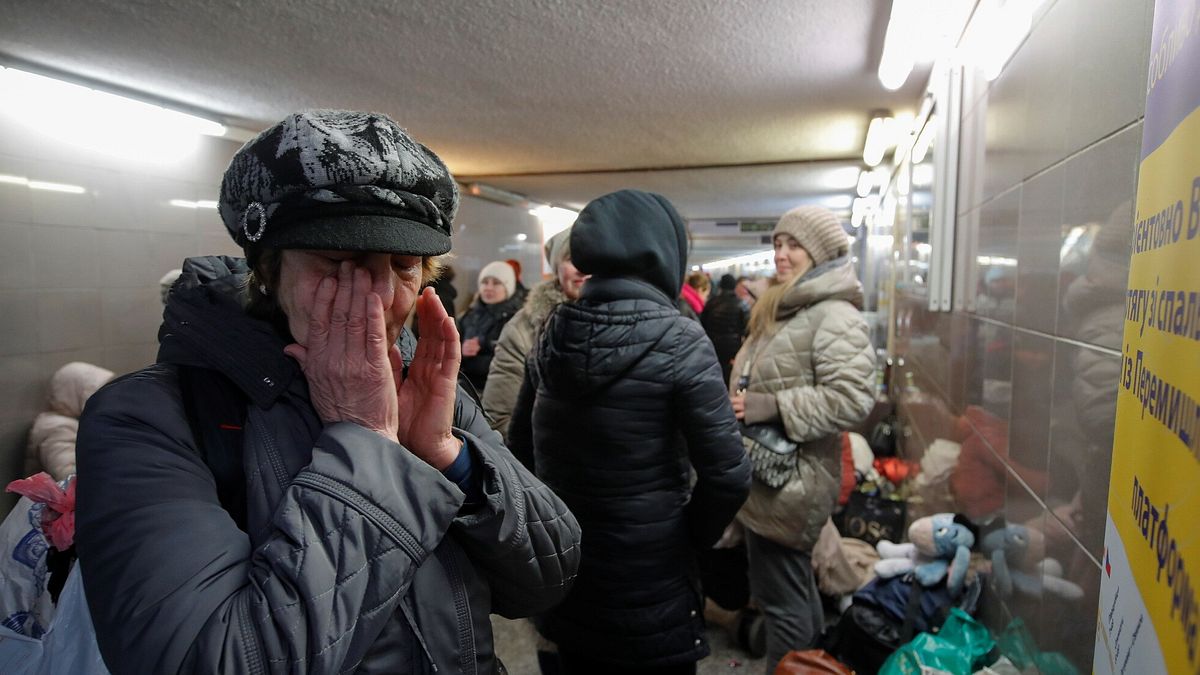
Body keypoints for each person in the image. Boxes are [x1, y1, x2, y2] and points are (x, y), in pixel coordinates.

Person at [75, 110, 581, 674]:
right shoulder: (147, 418)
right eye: (341, 262)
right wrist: (363, 440)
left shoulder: (422, 388)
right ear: (267, 270)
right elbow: (211, 660)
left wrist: (449, 455)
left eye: (405, 265)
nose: (381, 298)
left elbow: (549, 576)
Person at [509, 189, 752, 674]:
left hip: (569, 568)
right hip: (651, 578)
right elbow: (728, 475)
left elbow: (520, 451)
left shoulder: (553, 331)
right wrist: (687, 537)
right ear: (667, 254)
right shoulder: (681, 339)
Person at [728, 205, 874, 672]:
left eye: (794, 245)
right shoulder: (788, 307)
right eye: (777, 243)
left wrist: (769, 406)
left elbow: (852, 398)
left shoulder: (831, 314)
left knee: (782, 603)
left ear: (820, 252)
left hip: (790, 484)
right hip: (774, 478)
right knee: (794, 593)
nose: (781, 254)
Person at [483, 228, 587, 445]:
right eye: (570, 259)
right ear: (557, 268)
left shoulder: (630, 320)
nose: (582, 268)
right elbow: (499, 418)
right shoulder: (524, 328)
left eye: (589, 258)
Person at [24, 362, 113, 481]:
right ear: (76, 393)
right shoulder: (57, 428)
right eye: (97, 395)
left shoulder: (71, 422)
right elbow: (69, 476)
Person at [459, 260, 522, 394]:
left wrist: (472, 360)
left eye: (496, 283)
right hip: (466, 389)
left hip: (499, 391)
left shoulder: (516, 320)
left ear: (508, 288)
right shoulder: (467, 316)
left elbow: (513, 363)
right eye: (484, 282)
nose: (488, 287)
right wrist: (461, 351)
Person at [700, 273, 749, 385]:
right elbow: (747, 329)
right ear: (734, 286)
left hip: (713, 344)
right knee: (730, 375)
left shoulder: (711, 303)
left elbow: (703, 324)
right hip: (733, 348)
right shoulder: (742, 304)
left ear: (721, 286)